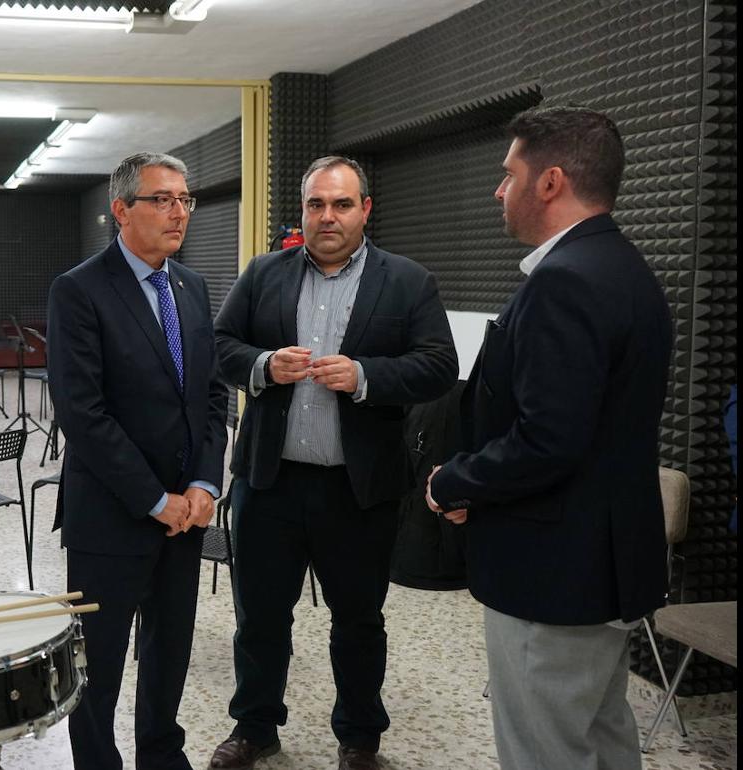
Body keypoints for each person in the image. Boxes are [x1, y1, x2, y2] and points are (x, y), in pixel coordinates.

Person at [427, 106, 673, 770]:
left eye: (508, 174)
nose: (497, 190)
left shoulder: (564, 283)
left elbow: (549, 440)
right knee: (602, 737)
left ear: (551, 182)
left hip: (552, 572)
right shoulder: (624, 268)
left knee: (545, 751)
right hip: (604, 566)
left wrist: (453, 481)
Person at [211, 156, 457, 770]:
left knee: (358, 621)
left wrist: (367, 376)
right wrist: (264, 367)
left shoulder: (407, 281)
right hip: (268, 483)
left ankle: (359, 738)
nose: (328, 216)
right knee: (260, 618)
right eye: (317, 204)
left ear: (366, 210)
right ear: (303, 211)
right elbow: (219, 347)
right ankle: (256, 726)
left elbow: (438, 366)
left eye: (342, 204)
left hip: (359, 489)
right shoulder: (264, 273)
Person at [47, 152, 229, 770]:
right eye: (162, 199)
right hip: (114, 515)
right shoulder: (79, 291)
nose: (179, 212)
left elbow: (210, 394)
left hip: (186, 514)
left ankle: (161, 755)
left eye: (185, 199)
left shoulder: (193, 286)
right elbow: (84, 414)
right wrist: (156, 500)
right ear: (121, 210)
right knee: (95, 665)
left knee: (168, 650)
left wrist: (204, 483)